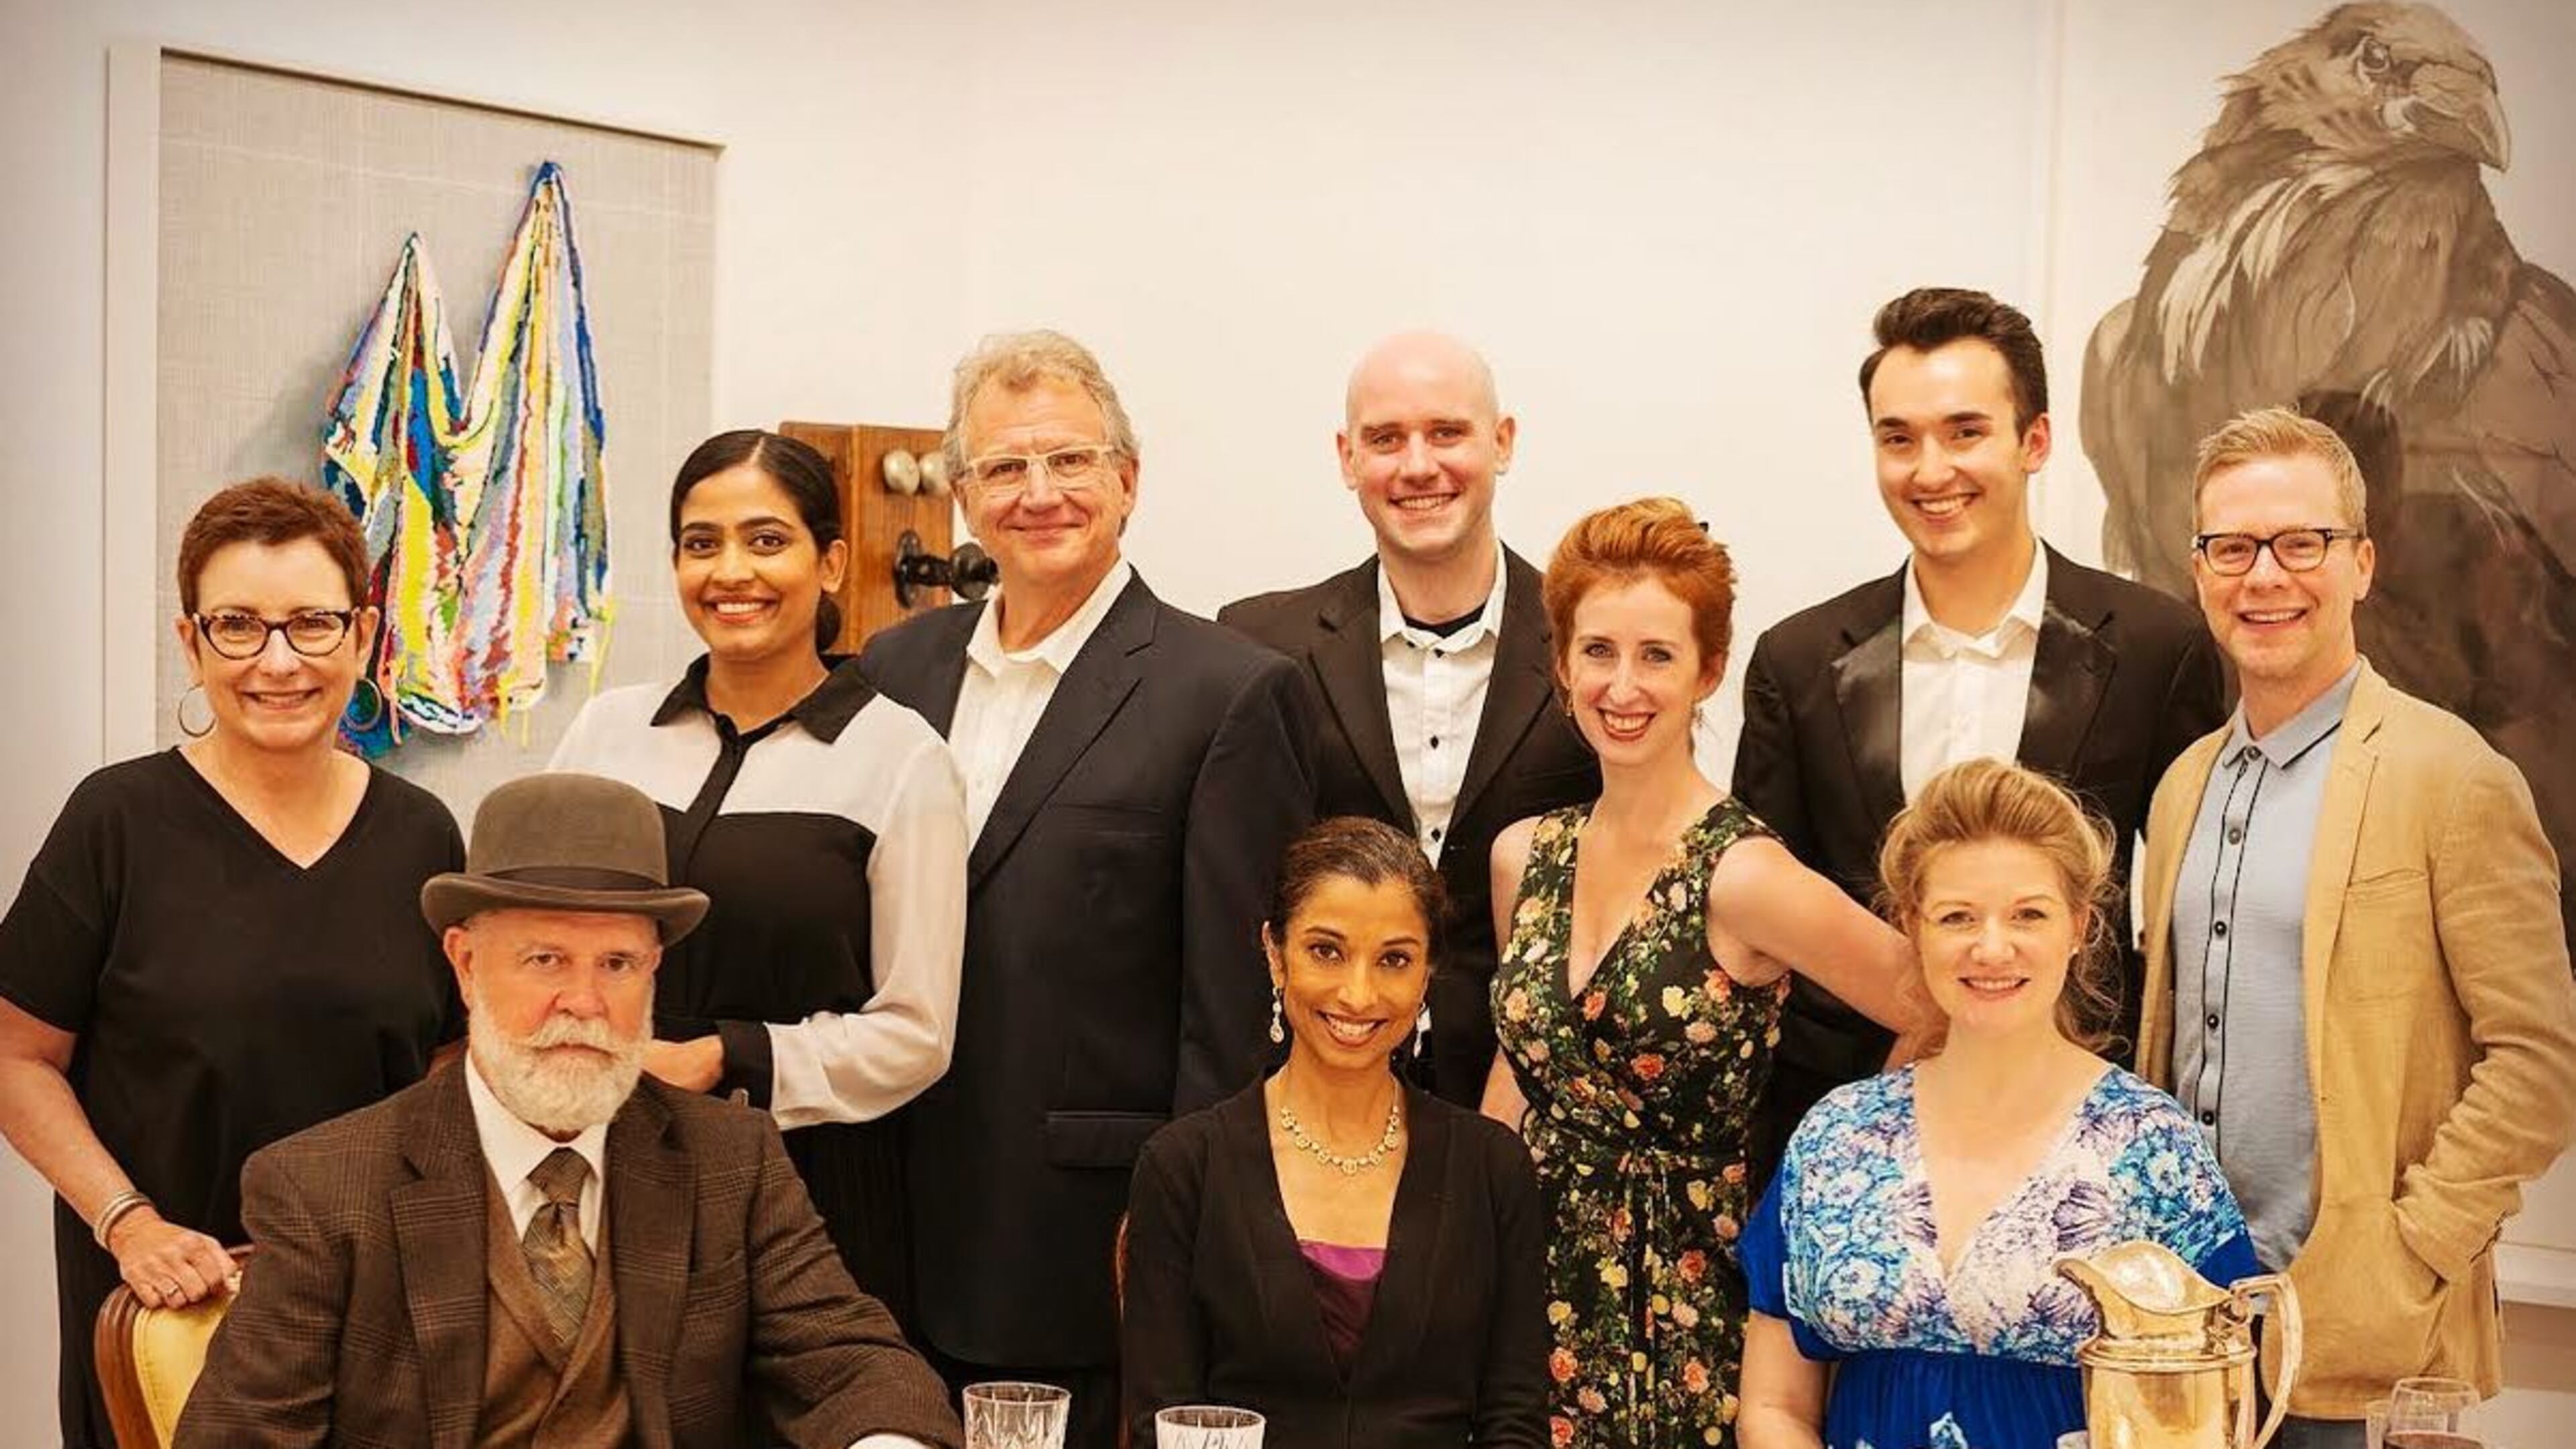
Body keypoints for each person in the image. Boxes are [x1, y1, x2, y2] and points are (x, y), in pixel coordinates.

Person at [176, 771, 962, 1449]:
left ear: (655, 972)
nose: (584, 1004)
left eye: (617, 964)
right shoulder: (323, 1188)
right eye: (545, 959)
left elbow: (854, 1360)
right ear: (466, 963)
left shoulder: (731, 1158)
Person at [859, 329, 1317, 1447]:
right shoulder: (893, 671)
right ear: (962, 495)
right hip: (886, 1214)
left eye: (1070, 460)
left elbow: (1229, 1013)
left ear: (1129, 479)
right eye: (1006, 468)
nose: (1041, 493)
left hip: (1084, 1235)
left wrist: (1182, 1237)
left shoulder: (1229, 692)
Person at [2135, 407, 2576, 1447]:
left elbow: (2543, 1059)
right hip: (2181, 1334)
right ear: (2199, 571)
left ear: (2363, 563)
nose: (2266, 576)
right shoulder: (2181, 787)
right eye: (2232, 548)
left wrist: (2410, 1243)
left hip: (2357, 1340)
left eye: (2303, 543)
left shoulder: (2453, 776)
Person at [0, 478, 464, 1449]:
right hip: (166, 1304)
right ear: (191, 642)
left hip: (375, 1317)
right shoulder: (115, 822)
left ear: (366, 633)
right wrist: (127, 1223)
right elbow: (15, 1057)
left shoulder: (423, 835)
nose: (278, 661)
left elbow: (448, 1064)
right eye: (239, 626)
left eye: (312, 624)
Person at [1733, 286, 2225, 1181]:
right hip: (1847, 1134)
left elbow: (2194, 915)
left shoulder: (2159, 649)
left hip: (2079, 1130)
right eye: (1898, 438)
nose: (1930, 470)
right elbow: (1765, 922)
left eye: (1965, 432)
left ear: (2033, 442)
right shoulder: (1797, 661)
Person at [1483, 498, 1924, 1449]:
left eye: (1657, 655)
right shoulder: (1525, 855)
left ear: (1708, 670)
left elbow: (1932, 1001)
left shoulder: (1743, 874)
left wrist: (1847, 1165)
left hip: (1682, 1308)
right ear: (1560, 665)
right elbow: (1517, 1072)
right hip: (1523, 1292)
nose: (1623, 685)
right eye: (1598, 651)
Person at [551, 427, 968, 1327]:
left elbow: (917, 1032)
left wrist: (726, 1059)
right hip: (603, 1163)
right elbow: (540, 944)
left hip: (805, 1189)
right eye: (702, 544)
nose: (731, 571)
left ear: (831, 564)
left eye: (767, 540)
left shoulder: (900, 759)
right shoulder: (606, 735)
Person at [1738, 759, 2258, 1449]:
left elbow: (2218, 1419)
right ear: (1912, 927)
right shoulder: (1838, 1138)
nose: (1991, 947)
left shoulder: (2153, 1148)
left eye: (2028, 915)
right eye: (1957, 916)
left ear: (2077, 926)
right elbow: (1774, 1407)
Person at [1221, 331, 1599, 1105]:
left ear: (1503, 442)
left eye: (1447, 433)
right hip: (1312, 1093)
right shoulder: (1258, 645)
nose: (1418, 465)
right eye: (1386, 439)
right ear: (1347, 457)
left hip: (1531, 1108)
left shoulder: (1592, 648)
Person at [1124, 816, 1548, 1448]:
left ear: (1428, 974)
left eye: (1394, 960)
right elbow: (1165, 1424)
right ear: (1275, 954)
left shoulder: (1493, 1168)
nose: (1358, 993)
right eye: (1327, 950)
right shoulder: (1185, 1165)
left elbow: (1515, 1424)